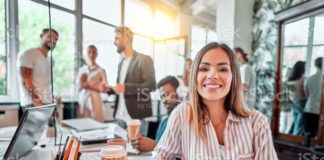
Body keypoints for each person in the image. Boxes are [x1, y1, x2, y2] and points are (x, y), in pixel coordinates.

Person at [154, 42, 278, 159]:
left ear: (233, 77)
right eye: (204, 69)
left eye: (223, 69)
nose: (212, 75)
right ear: (195, 76)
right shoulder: (183, 114)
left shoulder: (257, 123)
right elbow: (161, 156)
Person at [107, 76, 180, 152]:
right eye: (162, 96)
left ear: (179, 92)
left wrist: (155, 145)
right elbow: (158, 149)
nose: (165, 100)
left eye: (168, 94)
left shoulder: (184, 120)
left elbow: (183, 152)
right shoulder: (164, 122)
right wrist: (141, 143)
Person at [109, 26, 156, 123]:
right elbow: (120, 89)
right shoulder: (121, 63)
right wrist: (109, 89)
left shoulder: (144, 59)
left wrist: (126, 88)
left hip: (136, 117)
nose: (114, 42)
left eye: (117, 38)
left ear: (126, 38)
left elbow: (151, 86)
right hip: (119, 116)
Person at [17, 28, 59, 112]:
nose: (53, 40)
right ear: (41, 37)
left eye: (55, 39)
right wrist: (38, 104)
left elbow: (45, 82)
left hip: (47, 102)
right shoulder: (29, 54)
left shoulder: (51, 61)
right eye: (49, 37)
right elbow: (26, 82)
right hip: (33, 104)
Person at [77, 45, 109, 122]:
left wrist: (87, 85)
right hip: (83, 99)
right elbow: (79, 86)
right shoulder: (82, 70)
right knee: (84, 123)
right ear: (86, 54)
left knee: (97, 122)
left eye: (94, 52)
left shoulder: (101, 70)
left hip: (96, 99)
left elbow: (105, 88)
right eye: (89, 52)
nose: (91, 54)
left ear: (97, 54)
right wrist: (96, 86)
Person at [286, 61, 307, 135]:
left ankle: (292, 139)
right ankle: (295, 141)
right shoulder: (303, 78)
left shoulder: (289, 79)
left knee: (296, 123)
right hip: (302, 102)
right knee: (299, 125)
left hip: (294, 102)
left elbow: (287, 94)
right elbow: (303, 93)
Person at [304, 57, 323, 138]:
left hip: (309, 108)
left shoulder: (309, 79)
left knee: (308, 134)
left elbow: (307, 94)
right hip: (320, 110)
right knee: (318, 135)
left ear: (315, 65)